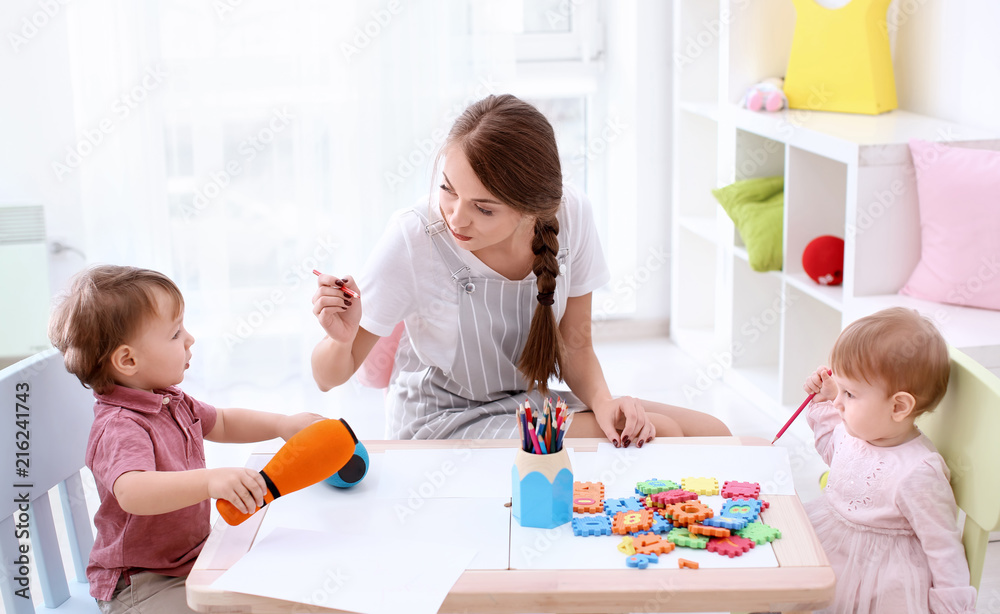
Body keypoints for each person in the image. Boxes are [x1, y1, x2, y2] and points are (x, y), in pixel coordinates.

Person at [311, 94, 730, 445]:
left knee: (712, 432)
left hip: (524, 404)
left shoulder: (572, 215)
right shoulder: (414, 238)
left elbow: (577, 348)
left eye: (484, 208)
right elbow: (329, 377)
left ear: (533, 210)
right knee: (667, 434)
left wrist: (603, 403)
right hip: (442, 423)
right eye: (447, 190)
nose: (456, 218)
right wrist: (339, 339)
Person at [48, 265, 323, 613]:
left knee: (279, 583)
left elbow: (221, 421)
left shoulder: (168, 398)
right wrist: (209, 481)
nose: (190, 338)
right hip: (141, 583)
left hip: (191, 559)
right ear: (128, 360)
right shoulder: (120, 425)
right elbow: (133, 491)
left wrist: (283, 424)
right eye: (176, 333)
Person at [801, 307, 977, 613]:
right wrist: (826, 398)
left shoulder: (918, 472)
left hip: (877, 580)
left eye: (850, 394)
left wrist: (951, 607)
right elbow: (836, 454)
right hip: (832, 543)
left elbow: (943, 548)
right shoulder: (859, 431)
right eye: (839, 389)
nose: (838, 403)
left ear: (898, 407)